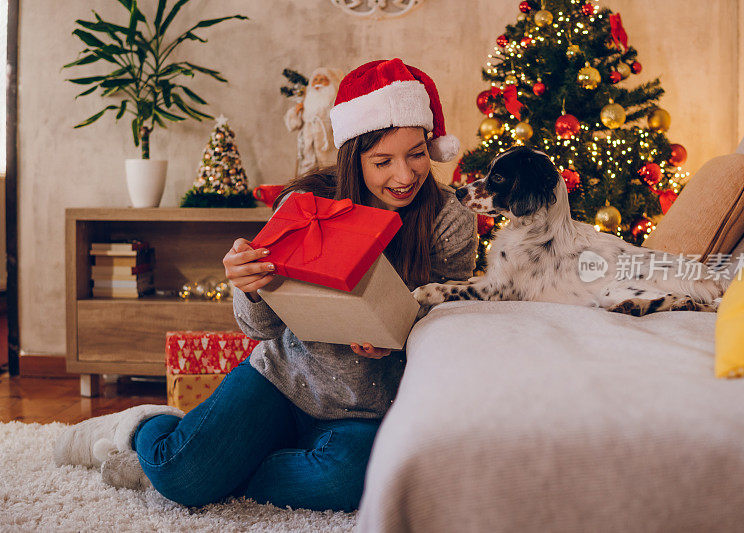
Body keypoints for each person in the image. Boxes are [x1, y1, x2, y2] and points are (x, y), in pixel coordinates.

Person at [54, 58, 478, 512]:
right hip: (279, 380)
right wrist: (249, 286)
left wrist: (395, 341)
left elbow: (447, 323)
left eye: (416, 153)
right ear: (354, 156)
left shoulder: (448, 219)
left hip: (366, 410)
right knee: (180, 475)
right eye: (382, 161)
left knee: (344, 482)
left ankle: (220, 464)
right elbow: (259, 329)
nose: (405, 174)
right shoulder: (308, 204)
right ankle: (138, 428)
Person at [284, 67, 343, 175]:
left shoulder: (336, 101)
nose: (318, 83)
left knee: (330, 167)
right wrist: (297, 113)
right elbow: (294, 125)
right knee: (307, 171)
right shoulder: (307, 102)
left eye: (322, 80)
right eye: (315, 80)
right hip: (308, 145)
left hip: (328, 143)